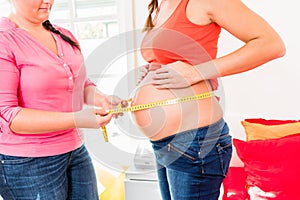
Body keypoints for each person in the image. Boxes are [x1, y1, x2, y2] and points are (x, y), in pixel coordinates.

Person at [132, 0, 286, 199]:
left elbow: (272, 45)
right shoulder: (161, 3)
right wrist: (153, 69)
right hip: (164, 142)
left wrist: (196, 72)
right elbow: (177, 57)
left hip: (194, 141)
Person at [0, 0, 125, 199]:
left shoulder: (64, 34)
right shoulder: (4, 40)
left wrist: (102, 99)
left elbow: (80, 84)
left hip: (75, 152)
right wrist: (77, 119)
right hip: (27, 163)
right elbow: (8, 117)